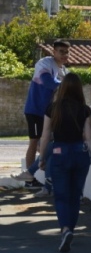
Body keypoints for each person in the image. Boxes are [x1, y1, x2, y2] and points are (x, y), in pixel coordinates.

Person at [37, 73, 91, 253]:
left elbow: (45, 136)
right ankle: (70, 230)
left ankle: (65, 229)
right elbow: (89, 139)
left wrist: (42, 158)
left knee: (61, 196)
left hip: (59, 154)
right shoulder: (84, 110)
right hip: (79, 154)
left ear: (63, 88)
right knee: (75, 196)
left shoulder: (52, 108)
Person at [14, 39, 70, 188]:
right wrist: (68, 84)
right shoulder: (44, 64)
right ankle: (29, 179)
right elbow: (48, 83)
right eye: (61, 52)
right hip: (36, 110)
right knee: (35, 141)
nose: (64, 55)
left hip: (50, 113)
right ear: (54, 52)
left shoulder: (64, 71)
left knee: (48, 144)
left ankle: (43, 176)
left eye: (66, 52)